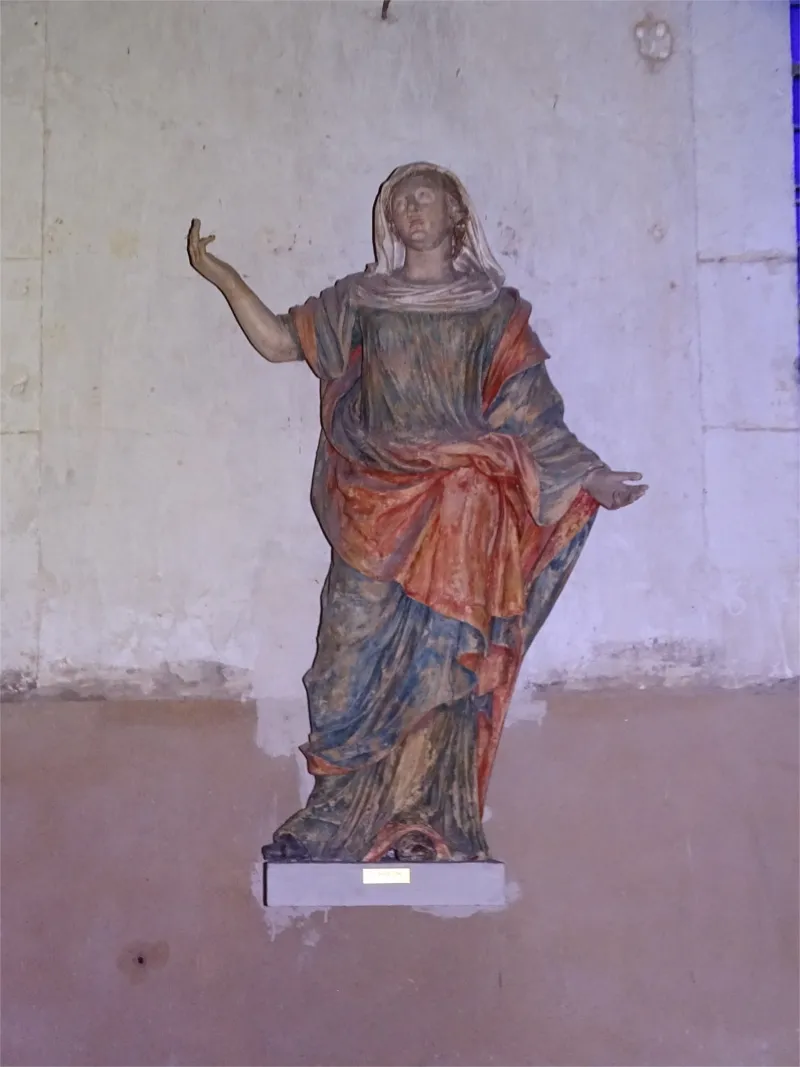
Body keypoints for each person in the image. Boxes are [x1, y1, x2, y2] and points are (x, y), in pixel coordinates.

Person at [187, 162, 647, 863]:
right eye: (401, 202)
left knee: (441, 662)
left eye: (426, 198)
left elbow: (532, 417)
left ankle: (419, 820)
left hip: (461, 511)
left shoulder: (495, 312)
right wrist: (218, 273)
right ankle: (335, 814)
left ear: (455, 214)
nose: (413, 210)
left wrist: (589, 474)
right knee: (344, 659)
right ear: (390, 222)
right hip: (374, 504)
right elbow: (283, 342)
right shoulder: (361, 301)